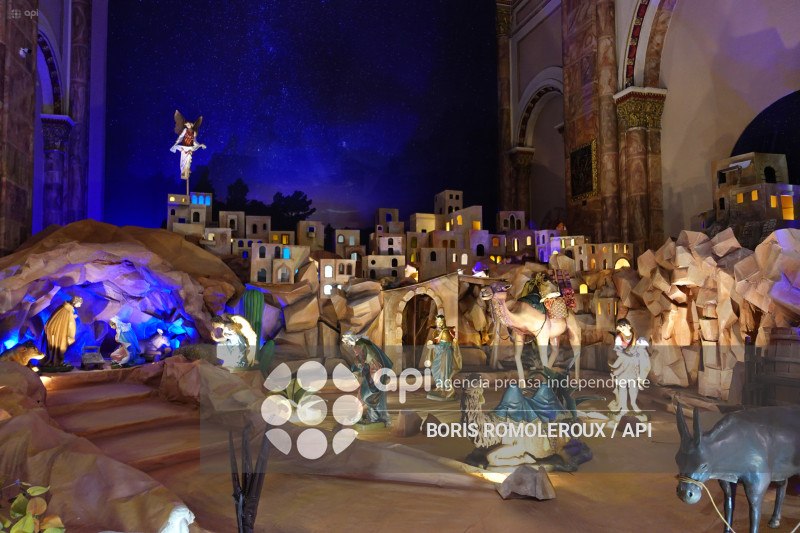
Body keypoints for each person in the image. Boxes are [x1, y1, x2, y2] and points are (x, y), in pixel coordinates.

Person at [342, 332, 393, 427]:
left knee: (366, 397)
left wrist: (372, 375)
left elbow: (367, 360)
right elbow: (360, 362)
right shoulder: (360, 345)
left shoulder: (360, 345)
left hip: (374, 375)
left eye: (346, 340)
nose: (345, 342)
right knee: (370, 398)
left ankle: (376, 418)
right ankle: (377, 418)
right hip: (371, 374)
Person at [609, 318, 651, 415]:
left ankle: (633, 403)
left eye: (624, 327)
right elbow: (619, 352)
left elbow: (641, 349)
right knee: (623, 387)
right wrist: (629, 357)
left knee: (633, 386)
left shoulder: (635, 336)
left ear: (629, 326)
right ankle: (624, 407)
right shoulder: (619, 338)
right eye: (621, 328)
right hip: (624, 364)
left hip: (634, 365)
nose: (623, 329)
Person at [425, 314, 462, 400]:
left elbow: (445, 345)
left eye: (440, 322)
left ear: (443, 322)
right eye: (437, 321)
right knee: (435, 369)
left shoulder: (445, 332)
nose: (438, 323)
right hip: (439, 354)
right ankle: (439, 386)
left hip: (445, 354)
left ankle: (446, 389)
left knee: (444, 372)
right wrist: (432, 344)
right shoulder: (437, 331)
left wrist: (433, 346)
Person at [42, 295, 83, 371]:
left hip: (58, 331)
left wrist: (72, 316)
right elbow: (67, 322)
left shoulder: (66, 308)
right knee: (60, 347)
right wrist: (70, 336)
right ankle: (56, 362)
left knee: (59, 348)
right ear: (75, 302)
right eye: (79, 304)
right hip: (58, 332)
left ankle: (57, 361)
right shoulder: (66, 309)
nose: (80, 305)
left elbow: (64, 319)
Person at [170, 111, 206, 182]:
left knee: (189, 157)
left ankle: (187, 168)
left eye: (189, 124)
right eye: (187, 124)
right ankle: (183, 171)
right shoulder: (185, 130)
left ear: (191, 125)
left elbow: (194, 141)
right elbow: (181, 137)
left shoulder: (194, 132)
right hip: (184, 146)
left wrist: (199, 145)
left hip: (190, 147)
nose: (188, 125)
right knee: (183, 159)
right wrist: (176, 142)